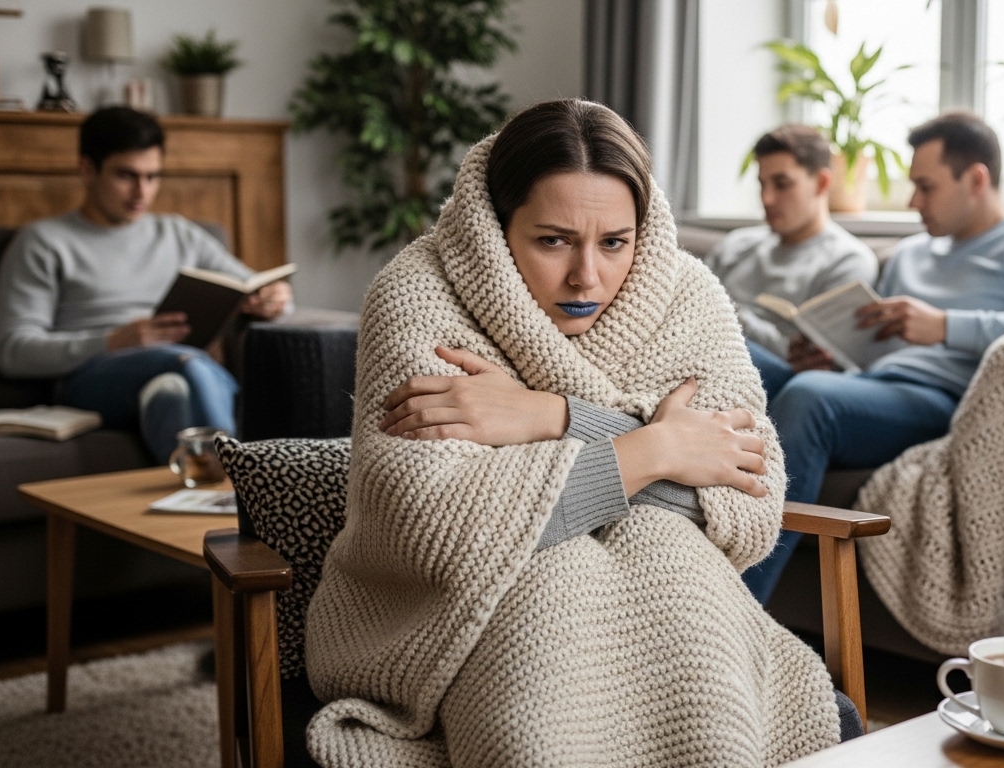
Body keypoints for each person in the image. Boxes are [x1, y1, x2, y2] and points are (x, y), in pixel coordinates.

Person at [302, 100, 858, 768]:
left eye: (614, 242)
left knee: (670, 556)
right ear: (495, 225)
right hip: (455, 616)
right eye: (553, 240)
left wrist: (551, 415)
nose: (586, 276)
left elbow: (749, 501)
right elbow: (436, 527)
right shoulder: (417, 296)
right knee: (557, 579)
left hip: (674, 599)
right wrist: (659, 448)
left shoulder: (689, 297)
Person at [741, 111, 1004, 603]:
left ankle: (734, 612)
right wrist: (825, 354)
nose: (913, 202)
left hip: (940, 400)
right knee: (736, 350)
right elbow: (868, 347)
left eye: (926, 187)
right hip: (867, 387)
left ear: (976, 179)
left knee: (810, 398)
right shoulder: (910, 253)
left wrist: (946, 326)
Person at [0, 107, 291, 460]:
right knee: (187, 366)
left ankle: (194, 483)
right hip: (93, 377)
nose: (141, 192)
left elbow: (254, 285)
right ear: (87, 170)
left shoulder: (179, 235)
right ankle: (237, 479)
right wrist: (114, 341)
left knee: (171, 394)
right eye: (126, 175)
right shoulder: (43, 242)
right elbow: (12, 350)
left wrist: (277, 299)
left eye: (152, 177)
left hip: (176, 367)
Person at [704, 124, 877, 397]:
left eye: (782, 184)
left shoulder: (847, 261)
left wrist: (725, 311)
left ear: (822, 183)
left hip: (771, 378)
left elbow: (820, 361)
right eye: (762, 184)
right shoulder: (736, 245)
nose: (767, 199)